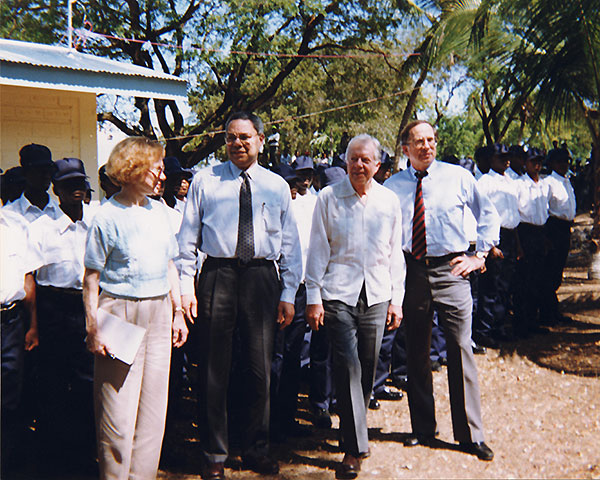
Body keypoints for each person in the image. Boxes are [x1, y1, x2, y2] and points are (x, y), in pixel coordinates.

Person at [177, 111, 302, 479]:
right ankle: (215, 453)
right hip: (218, 275)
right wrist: (187, 288)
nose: (238, 144)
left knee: (259, 368)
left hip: (263, 279)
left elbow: (290, 243)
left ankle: (255, 449)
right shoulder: (205, 180)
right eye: (231, 137)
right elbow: (186, 242)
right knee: (214, 368)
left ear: (261, 140)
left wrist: (289, 292)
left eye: (245, 137)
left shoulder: (276, 185)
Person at [384, 120, 498, 462]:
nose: (426, 146)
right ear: (405, 148)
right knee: (416, 351)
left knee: (460, 349)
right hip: (413, 271)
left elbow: (487, 214)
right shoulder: (392, 187)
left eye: (431, 140)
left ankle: (470, 435)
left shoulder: (459, 177)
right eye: (418, 141)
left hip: (452, 270)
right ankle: (422, 428)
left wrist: (479, 257)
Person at [83, 137, 188, 480]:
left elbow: (170, 265)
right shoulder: (106, 216)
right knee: (117, 415)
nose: (162, 175)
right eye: (156, 169)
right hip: (119, 316)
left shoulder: (159, 213)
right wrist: (92, 328)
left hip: (158, 312)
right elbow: (91, 277)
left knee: (153, 413)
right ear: (133, 170)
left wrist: (177, 312)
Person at [306, 134, 405, 479]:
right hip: (338, 295)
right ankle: (353, 448)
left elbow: (395, 254)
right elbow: (317, 249)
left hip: (377, 295)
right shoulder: (329, 198)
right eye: (353, 159)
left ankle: (352, 430)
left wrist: (397, 300)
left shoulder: (389, 201)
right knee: (347, 367)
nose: (359, 166)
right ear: (344, 162)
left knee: (366, 368)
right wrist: (313, 297)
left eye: (366, 160)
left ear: (378, 165)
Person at [29, 158, 97, 473]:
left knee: (87, 384)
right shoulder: (41, 227)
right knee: (53, 384)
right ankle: (53, 461)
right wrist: (34, 325)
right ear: (56, 189)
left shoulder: (97, 226)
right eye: (67, 184)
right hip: (53, 309)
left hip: (88, 309)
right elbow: (30, 277)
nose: (75, 190)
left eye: (79, 183)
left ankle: (84, 458)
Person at [0, 209, 42, 476]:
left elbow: (28, 279)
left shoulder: (16, 226)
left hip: (10, 323)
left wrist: (33, 325)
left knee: (9, 399)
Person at [474, 144, 521, 347]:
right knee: (490, 287)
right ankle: (484, 330)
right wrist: (490, 245)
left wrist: (518, 244)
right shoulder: (485, 182)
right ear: (492, 159)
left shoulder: (510, 182)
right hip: (495, 236)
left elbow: (513, 215)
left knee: (505, 285)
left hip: (510, 235)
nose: (506, 161)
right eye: (501, 158)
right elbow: (480, 214)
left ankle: (499, 326)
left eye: (507, 157)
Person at [513, 147, 551, 337]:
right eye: (533, 162)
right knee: (524, 280)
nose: (536, 166)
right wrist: (519, 245)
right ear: (525, 163)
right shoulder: (519, 185)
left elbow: (544, 213)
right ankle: (521, 323)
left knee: (538, 278)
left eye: (539, 162)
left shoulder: (544, 185)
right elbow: (516, 216)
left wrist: (545, 238)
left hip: (540, 232)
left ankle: (533, 321)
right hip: (525, 232)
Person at [543, 148, 577, 324]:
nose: (564, 165)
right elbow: (544, 209)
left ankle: (553, 310)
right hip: (553, 227)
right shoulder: (549, 182)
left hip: (565, 229)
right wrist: (546, 236)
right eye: (559, 161)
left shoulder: (566, 181)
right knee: (550, 271)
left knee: (558, 271)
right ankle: (546, 313)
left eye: (566, 161)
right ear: (551, 163)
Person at [3, 144, 61, 221]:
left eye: (49, 171)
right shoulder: (7, 215)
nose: (46, 176)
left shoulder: (61, 213)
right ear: (25, 173)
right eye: (40, 171)